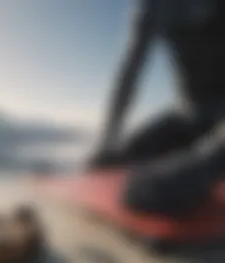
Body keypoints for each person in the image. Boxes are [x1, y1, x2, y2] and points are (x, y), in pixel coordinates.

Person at [88, 0, 225, 218]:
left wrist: (206, 166)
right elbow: (129, 74)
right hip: (192, 117)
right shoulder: (153, 8)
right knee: (115, 162)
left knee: (189, 174)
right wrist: (109, 139)